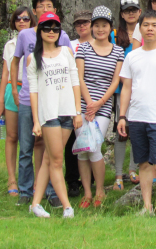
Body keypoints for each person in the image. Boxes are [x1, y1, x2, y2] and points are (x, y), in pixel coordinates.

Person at [117, 10, 156, 220]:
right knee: (143, 164)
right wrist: (122, 116)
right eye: (146, 25)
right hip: (136, 117)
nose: (150, 29)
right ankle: (147, 206)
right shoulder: (132, 56)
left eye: (155, 25)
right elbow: (126, 88)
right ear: (140, 28)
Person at [11, 0, 73, 207]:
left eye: (49, 5)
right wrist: (14, 90)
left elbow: (70, 71)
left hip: (54, 104)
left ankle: (51, 192)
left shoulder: (61, 37)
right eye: (41, 6)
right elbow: (14, 61)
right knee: (26, 147)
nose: (45, 9)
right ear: (34, 10)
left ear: (55, 11)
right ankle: (25, 191)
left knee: (51, 151)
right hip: (29, 99)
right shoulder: (25, 35)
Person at [27, 12, 83, 218]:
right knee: (57, 160)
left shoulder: (66, 52)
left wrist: (78, 112)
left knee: (49, 160)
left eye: (55, 29)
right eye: (47, 28)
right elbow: (34, 92)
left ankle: (35, 204)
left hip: (68, 112)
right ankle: (67, 206)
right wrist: (36, 121)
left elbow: (75, 82)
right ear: (40, 31)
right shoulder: (34, 58)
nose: (51, 32)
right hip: (49, 114)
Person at [76, 6, 124, 208]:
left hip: (103, 107)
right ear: (92, 27)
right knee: (82, 149)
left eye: (104, 25)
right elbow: (79, 78)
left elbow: (115, 82)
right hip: (81, 105)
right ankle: (87, 193)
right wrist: (88, 104)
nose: (100, 29)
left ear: (110, 28)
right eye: (97, 25)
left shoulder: (118, 51)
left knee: (94, 146)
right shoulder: (84, 48)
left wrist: (99, 103)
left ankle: (100, 191)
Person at [0, 6, 36, 197]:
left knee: (36, 139)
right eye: (18, 18)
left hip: (32, 91)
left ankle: (34, 180)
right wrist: (1, 98)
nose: (22, 21)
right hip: (13, 88)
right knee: (12, 136)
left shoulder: (38, 40)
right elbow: (5, 73)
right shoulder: (10, 45)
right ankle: (12, 179)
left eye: (26, 19)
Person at [112, 0, 142, 191]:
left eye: (134, 10)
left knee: (137, 131)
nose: (130, 14)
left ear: (140, 11)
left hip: (139, 90)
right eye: (126, 10)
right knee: (121, 131)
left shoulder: (146, 32)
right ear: (122, 14)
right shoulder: (114, 35)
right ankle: (117, 174)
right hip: (121, 90)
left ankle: (132, 169)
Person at [64, 10, 93, 198]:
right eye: (78, 24)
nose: (82, 26)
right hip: (70, 96)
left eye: (85, 23)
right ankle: (73, 180)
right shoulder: (70, 45)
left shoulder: (100, 42)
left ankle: (89, 179)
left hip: (93, 97)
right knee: (71, 142)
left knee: (92, 139)